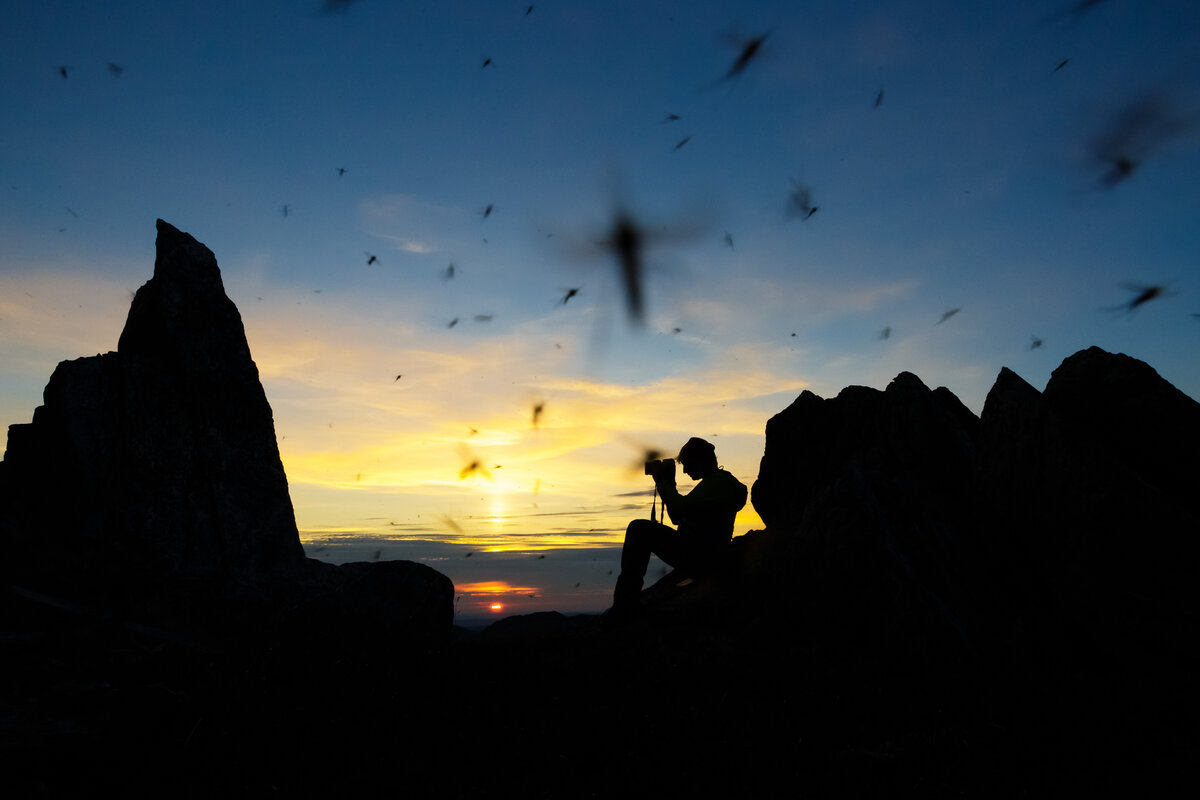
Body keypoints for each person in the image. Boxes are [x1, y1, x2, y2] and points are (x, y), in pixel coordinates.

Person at [611, 437, 747, 613]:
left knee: (638, 529)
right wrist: (669, 486)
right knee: (640, 529)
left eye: (687, 464)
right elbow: (677, 517)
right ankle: (626, 602)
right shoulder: (718, 483)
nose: (685, 471)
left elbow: (680, 509)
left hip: (699, 554)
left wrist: (663, 484)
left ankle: (624, 603)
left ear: (700, 460)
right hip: (704, 551)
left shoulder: (717, 484)